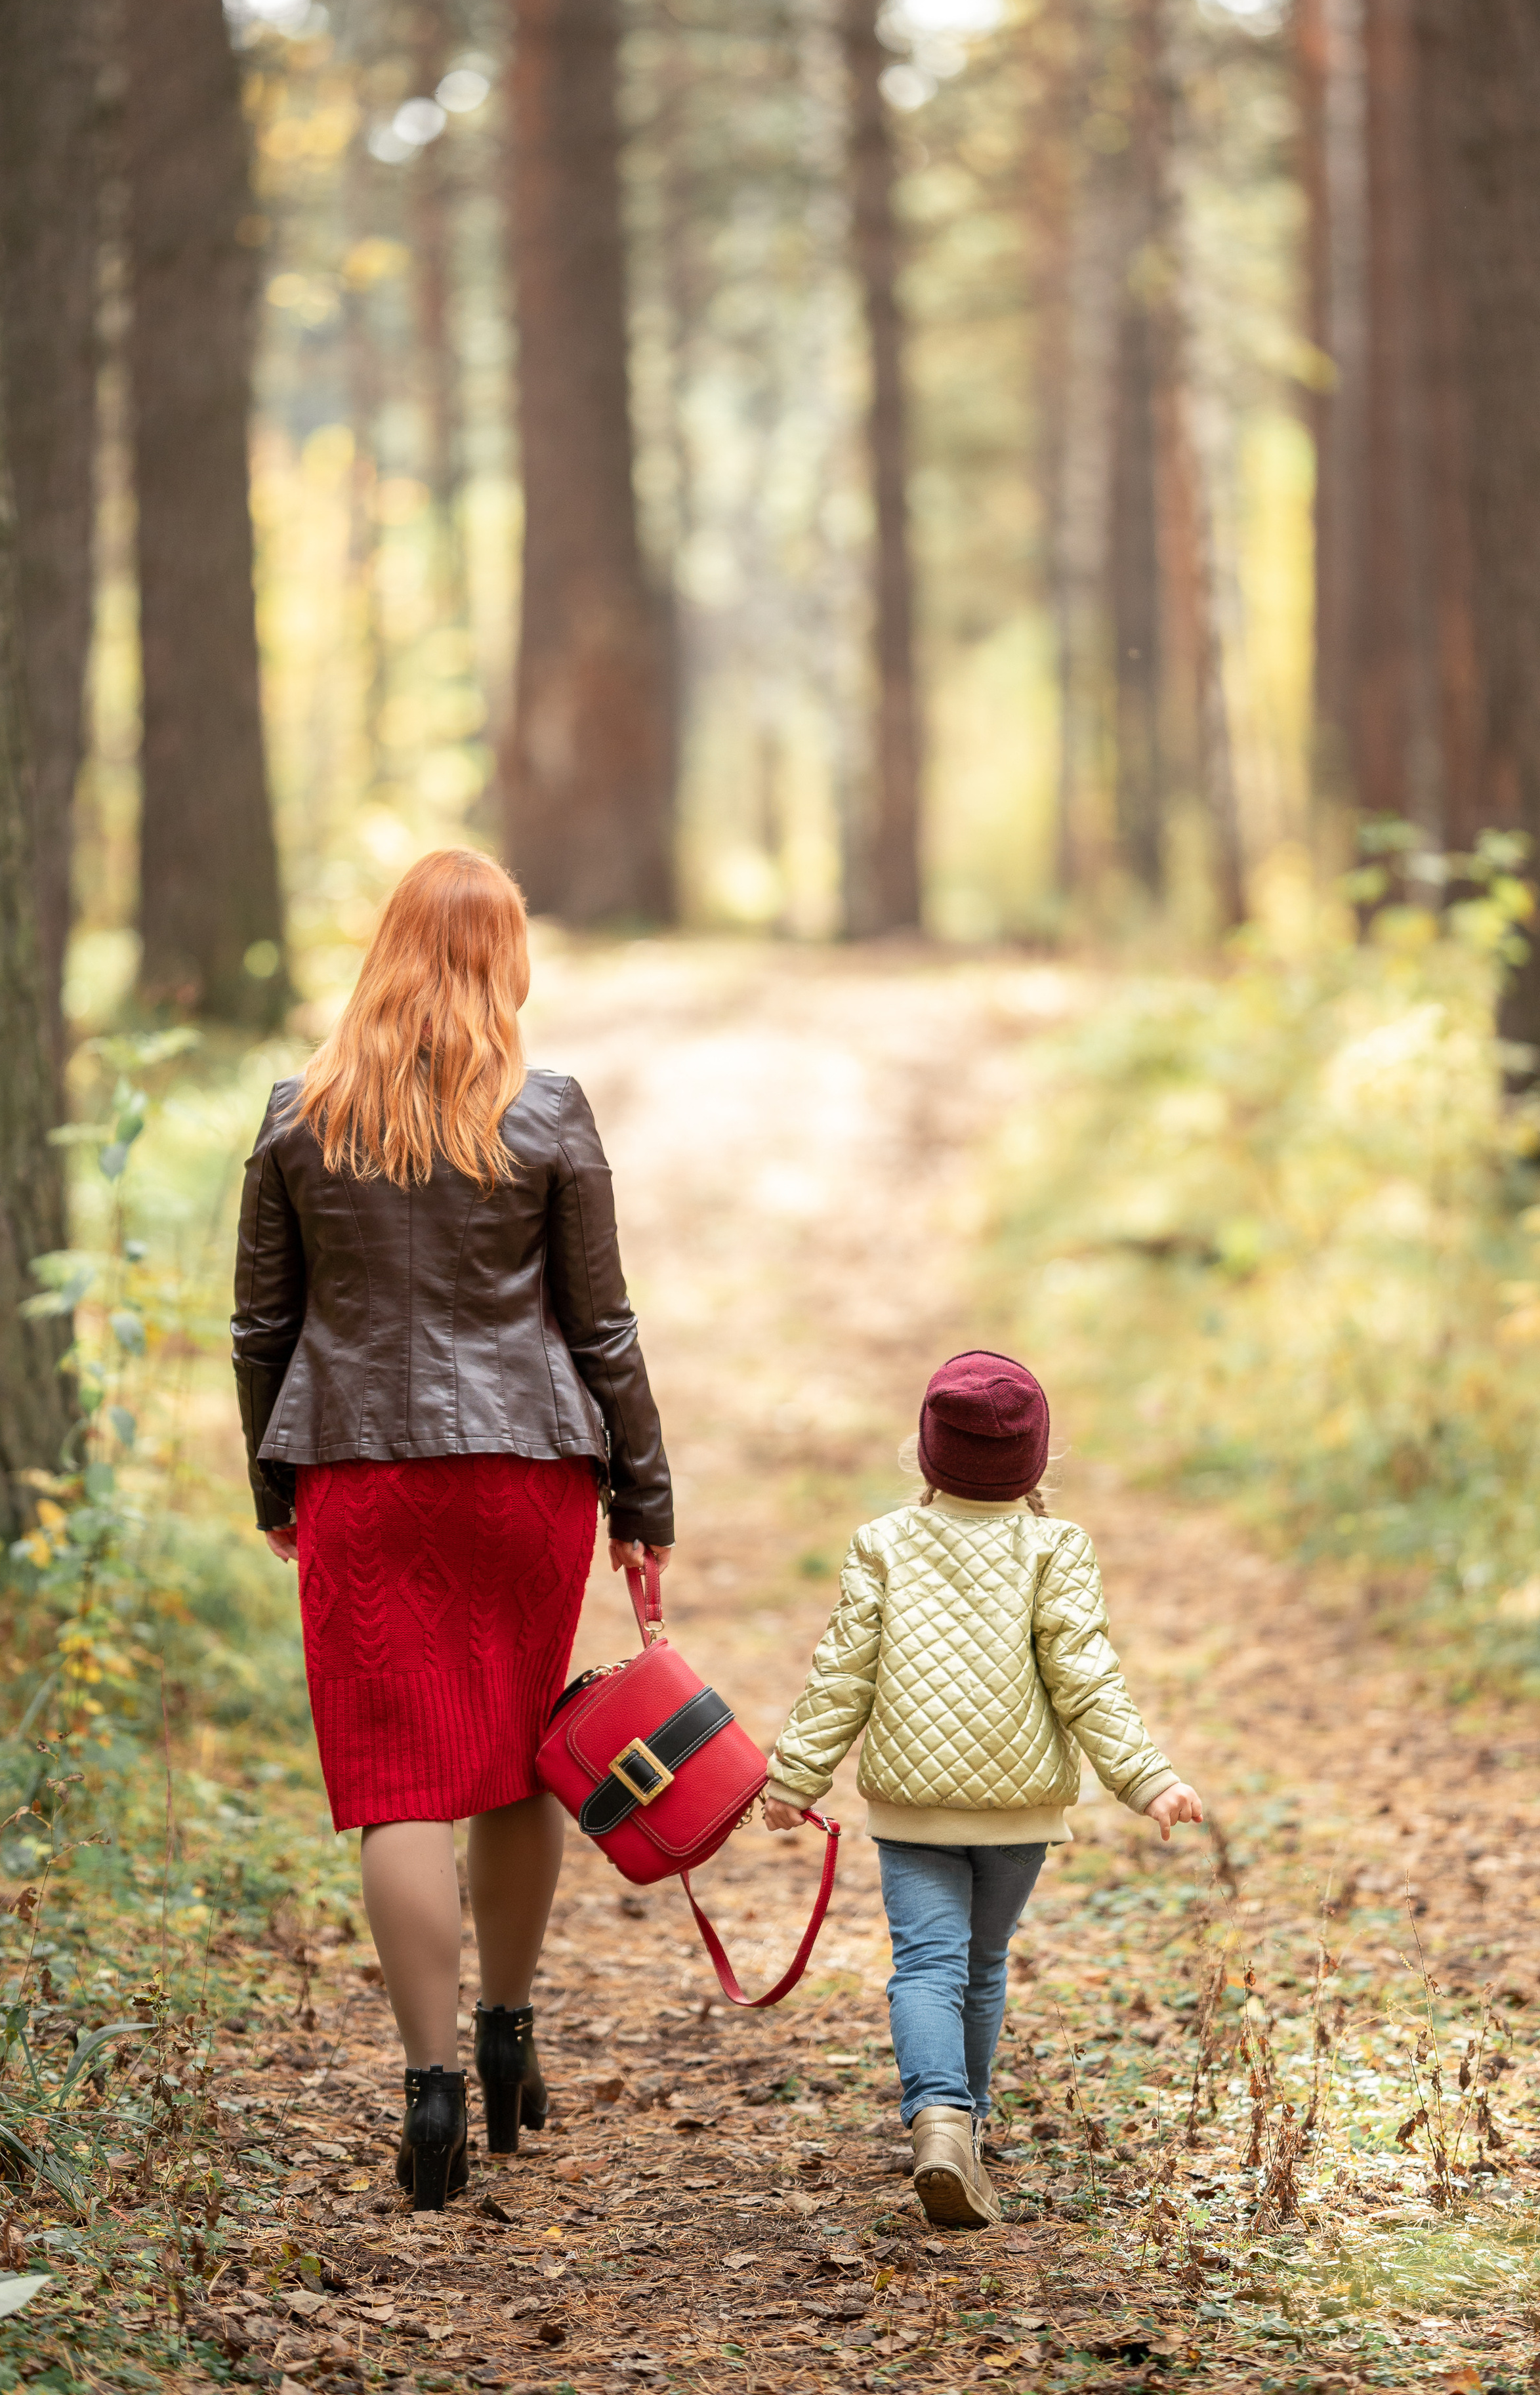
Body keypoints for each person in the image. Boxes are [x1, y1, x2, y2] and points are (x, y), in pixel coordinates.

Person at [231, 848, 673, 2210]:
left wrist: (274, 1485)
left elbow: (262, 1325)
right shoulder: (547, 1114)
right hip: (525, 1474)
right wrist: (643, 1495)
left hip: (361, 1470)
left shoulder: (299, 1116)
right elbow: (600, 1323)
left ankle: (426, 2085)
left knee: (395, 1777)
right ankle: (508, 2034)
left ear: (384, 953)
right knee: (512, 1749)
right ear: (503, 961)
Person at [761, 1349, 1201, 2228]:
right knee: (983, 1964)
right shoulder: (1057, 1548)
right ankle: (967, 2125)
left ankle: (939, 2122)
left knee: (926, 1965)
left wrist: (793, 1777)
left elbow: (842, 1676)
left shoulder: (882, 1544)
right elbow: (1086, 1678)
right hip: (1019, 1812)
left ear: (927, 1450)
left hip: (912, 1808)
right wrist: (1146, 1778)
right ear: (1036, 1460)